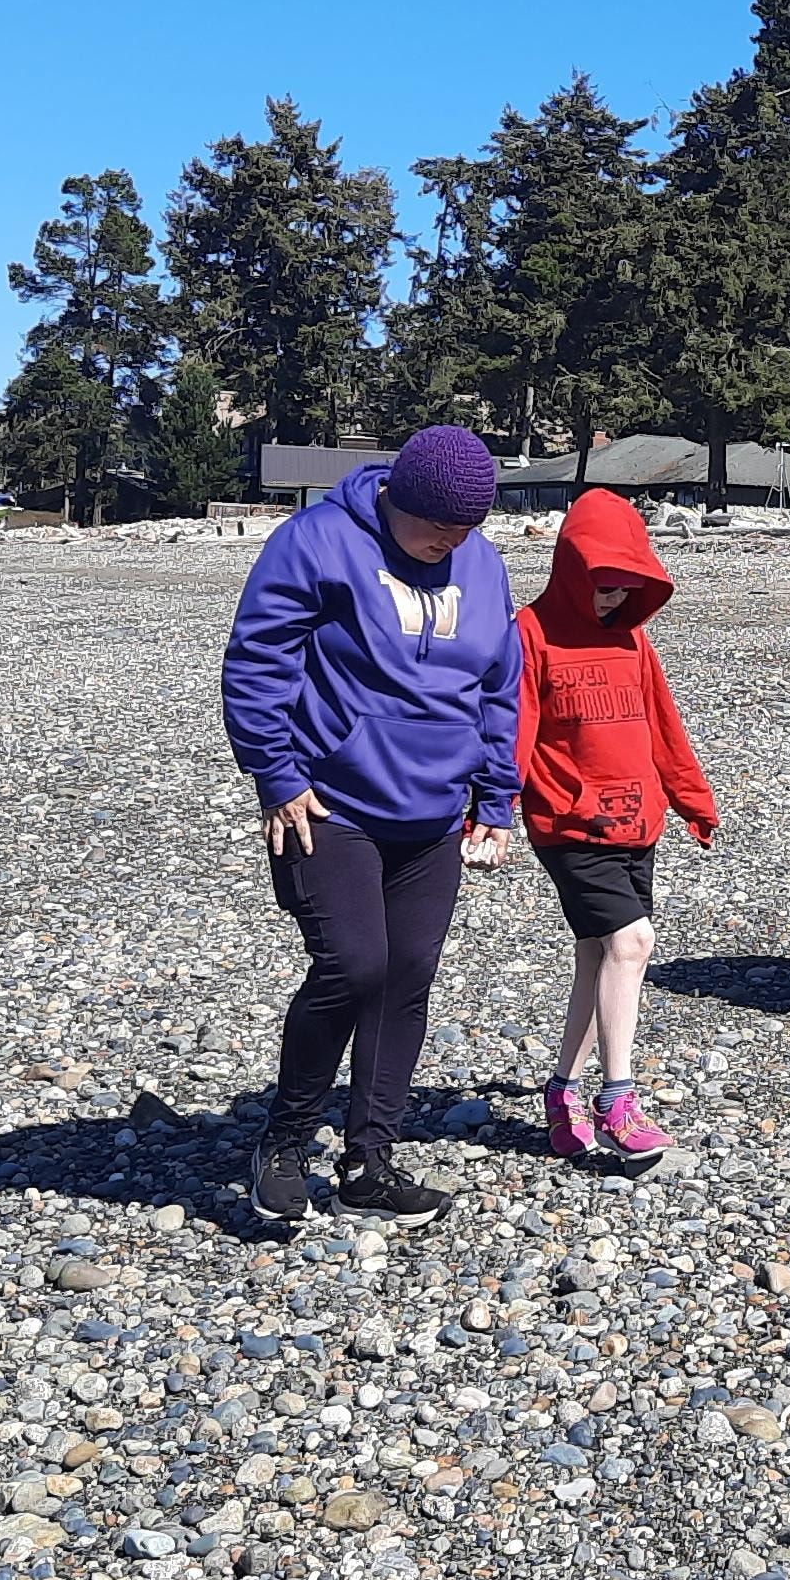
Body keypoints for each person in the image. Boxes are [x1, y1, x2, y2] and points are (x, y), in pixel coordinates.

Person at [221, 426, 520, 1222]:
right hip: (330, 803)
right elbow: (258, 662)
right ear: (395, 499)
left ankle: (369, 1161)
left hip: (433, 815)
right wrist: (276, 776)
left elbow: (499, 686)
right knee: (353, 967)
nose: (447, 545)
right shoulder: (315, 541)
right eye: (434, 530)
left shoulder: (484, 566)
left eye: (464, 533)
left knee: (405, 979)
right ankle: (284, 1141)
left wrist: (496, 796)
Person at [511, 489, 719, 1158]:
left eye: (626, 586)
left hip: (636, 823)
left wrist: (692, 799)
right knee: (633, 945)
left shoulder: (634, 640)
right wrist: (488, 807)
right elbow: (514, 730)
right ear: (572, 568)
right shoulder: (531, 631)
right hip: (569, 825)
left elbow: (664, 726)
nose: (612, 599)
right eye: (603, 585)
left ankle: (561, 1089)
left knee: (599, 955)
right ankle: (617, 1099)